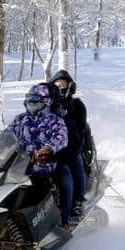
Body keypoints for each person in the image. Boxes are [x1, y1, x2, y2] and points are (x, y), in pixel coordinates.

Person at [4, 84, 74, 231]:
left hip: (46, 165)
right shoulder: (20, 119)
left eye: (35, 100)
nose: (31, 103)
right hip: (20, 166)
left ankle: (65, 219)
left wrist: (47, 149)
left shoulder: (55, 120)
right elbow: (6, 136)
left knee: (64, 181)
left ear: (45, 102)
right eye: (29, 100)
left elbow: (61, 138)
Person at [48, 70, 91, 219]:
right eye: (56, 84)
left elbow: (77, 130)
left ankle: (78, 202)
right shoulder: (46, 106)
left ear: (69, 87)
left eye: (63, 84)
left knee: (71, 165)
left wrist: (66, 108)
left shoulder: (76, 105)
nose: (60, 87)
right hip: (49, 151)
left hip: (70, 149)